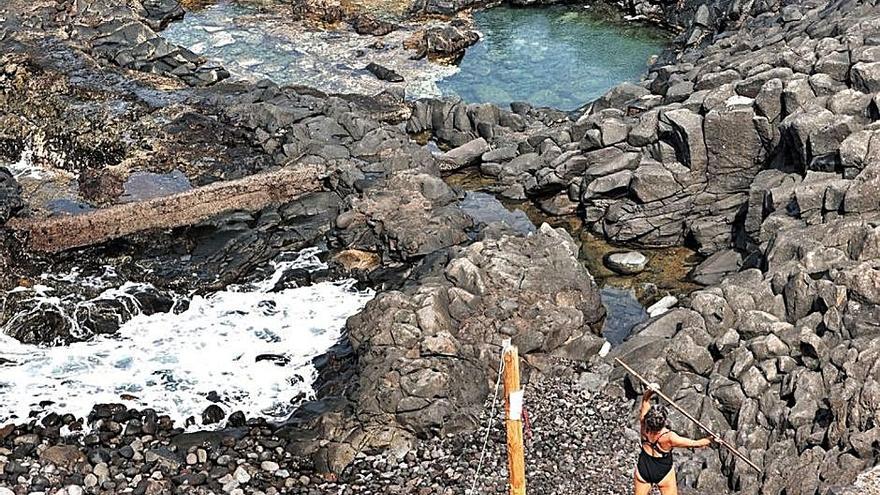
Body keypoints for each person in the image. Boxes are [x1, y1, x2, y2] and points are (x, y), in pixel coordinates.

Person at [634, 382, 715, 495]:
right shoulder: (669, 437)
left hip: (643, 469)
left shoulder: (643, 425)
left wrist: (650, 391)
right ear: (663, 422)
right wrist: (711, 439)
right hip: (663, 472)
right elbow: (696, 443)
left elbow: (645, 401)